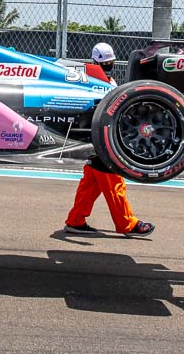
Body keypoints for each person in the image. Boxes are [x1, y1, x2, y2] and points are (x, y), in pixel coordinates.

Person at [63, 42, 154, 238]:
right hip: (100, 139)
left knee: (91, 183)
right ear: (95, 62)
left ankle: (75, 221)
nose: (108, 66)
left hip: (100, 139)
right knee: (114, 182)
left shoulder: (111, 82)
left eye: (110, 63)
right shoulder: (86, 80)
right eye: (105, 63)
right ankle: (127, 224)